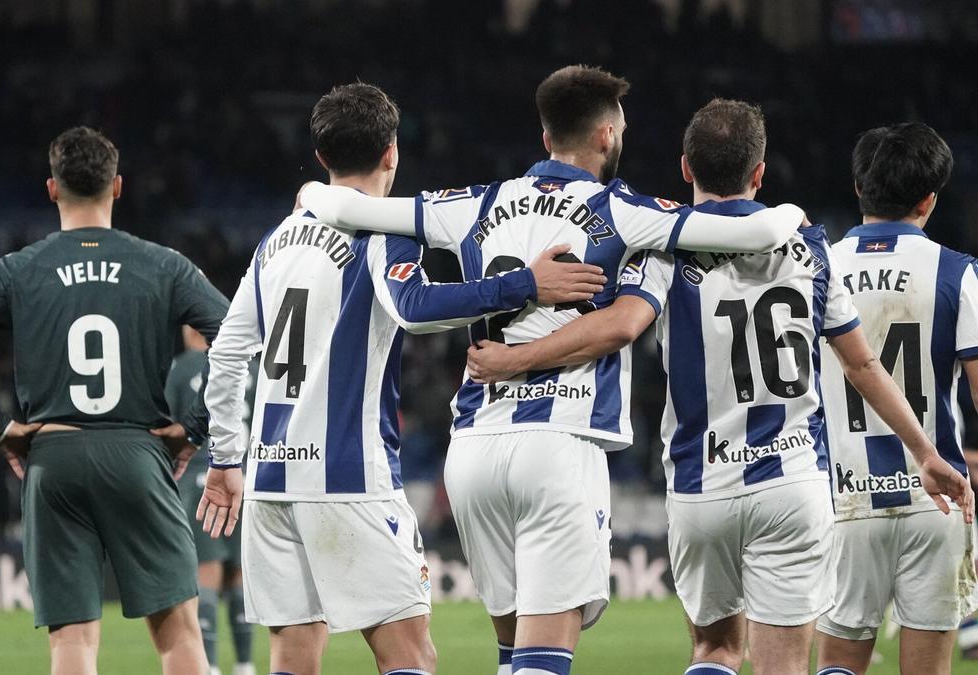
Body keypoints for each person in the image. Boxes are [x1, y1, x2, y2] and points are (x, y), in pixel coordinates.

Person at [299, 68, 808, 675]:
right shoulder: (626, 211)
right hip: (559, 444)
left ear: (545, 139)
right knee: (545, 658)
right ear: (606, 136)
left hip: (474, 452)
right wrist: (794, 210)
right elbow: (755, 229)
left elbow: (323, 200)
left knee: (514, 656)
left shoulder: (473, 203)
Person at [463, 99, 974, 675]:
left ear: (685, 168)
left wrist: (515, 358)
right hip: (792, 482)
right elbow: (862, 366)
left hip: (701, 486)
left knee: (715, 650)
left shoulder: (663, 248)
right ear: (759, 173)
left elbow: (618, 326)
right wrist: (926, 452)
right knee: (781, 665)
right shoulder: (808, 247)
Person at [197, 82, 604, 675]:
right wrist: (525, 284)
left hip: (269, 480)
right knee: (409, 654)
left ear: (320, 158)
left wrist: (226, 460)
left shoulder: (275, 240)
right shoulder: (378, 231)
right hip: (347, 478)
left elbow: (228, 353)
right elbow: (413, 306)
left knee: (292, 654)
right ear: (393, 152)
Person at [0, 127, 227, 675]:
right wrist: (194, 426)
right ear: (117, 188)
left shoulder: (18, 269)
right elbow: (237, 339)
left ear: (51, 189)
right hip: (138, 452)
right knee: (180, 635)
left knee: (73, 642)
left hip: (53, 457)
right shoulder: (164, 264)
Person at [814, 123, 978, 675]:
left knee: (838, 664)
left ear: (859, 189)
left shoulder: (816, 269)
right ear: (929, 200)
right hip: (938, 499)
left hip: (843, 498)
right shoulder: (959, 274)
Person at [165, 326, 257, 675]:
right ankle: (246, 665)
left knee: (207, 572)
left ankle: (212, 666)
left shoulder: (183, 366)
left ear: (189, 329)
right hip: (246, 478)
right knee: (239, 573)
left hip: (201, 478)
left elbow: (168, 424)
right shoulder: (249, 366)